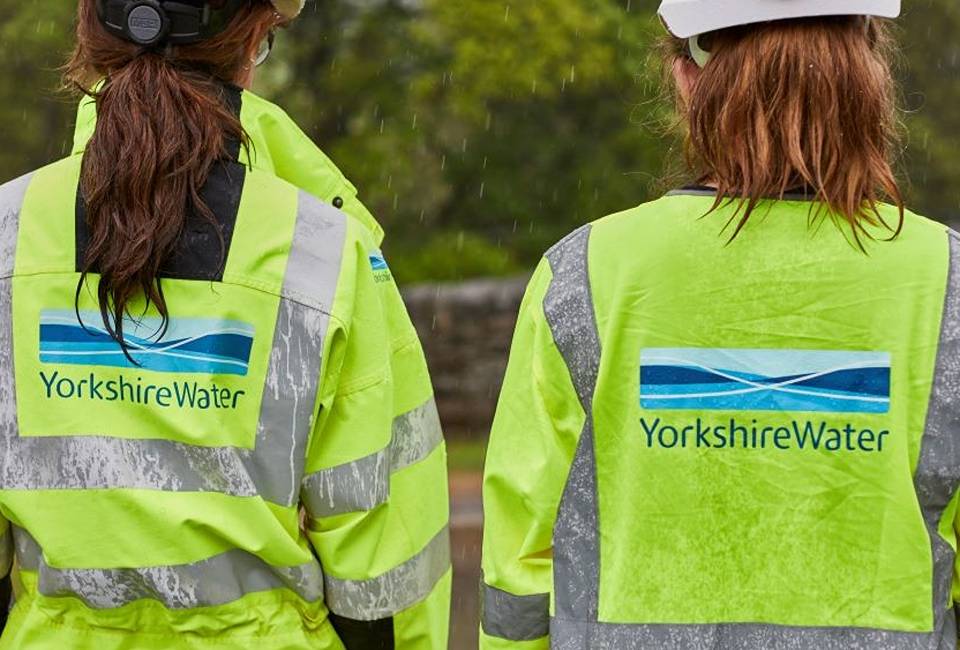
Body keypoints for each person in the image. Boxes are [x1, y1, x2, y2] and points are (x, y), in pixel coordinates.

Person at [480, 1, 960, 648]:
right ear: (869, 78)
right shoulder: (948, 282)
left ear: (687, 81)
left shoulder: (584, 277)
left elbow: (520, 563)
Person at [0, 1, 450, 648]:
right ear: (251, 41)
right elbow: (382, 575)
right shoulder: (325, 254)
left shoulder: (8, 237)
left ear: (87, 30)